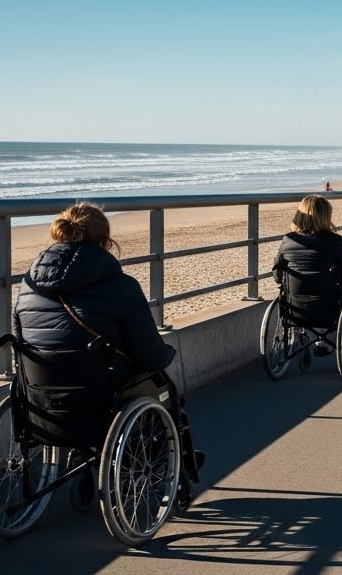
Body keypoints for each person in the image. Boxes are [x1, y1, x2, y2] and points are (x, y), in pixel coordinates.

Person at [13, 203, 202, 494]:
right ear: (105, 243)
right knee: (164, 388)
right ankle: (169, 469)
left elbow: (21, 340)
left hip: (42, 396)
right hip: (100, 396)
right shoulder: (120, 285)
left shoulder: (29, 284)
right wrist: (166, 355)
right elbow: (149, 351)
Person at [274, 195, 342, 350]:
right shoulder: (334, 241)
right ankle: (325, 339)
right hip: (326, 307)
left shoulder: (288, 240)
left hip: (294, 308)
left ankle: (296, 333)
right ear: (325, 216)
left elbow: (278, 274)